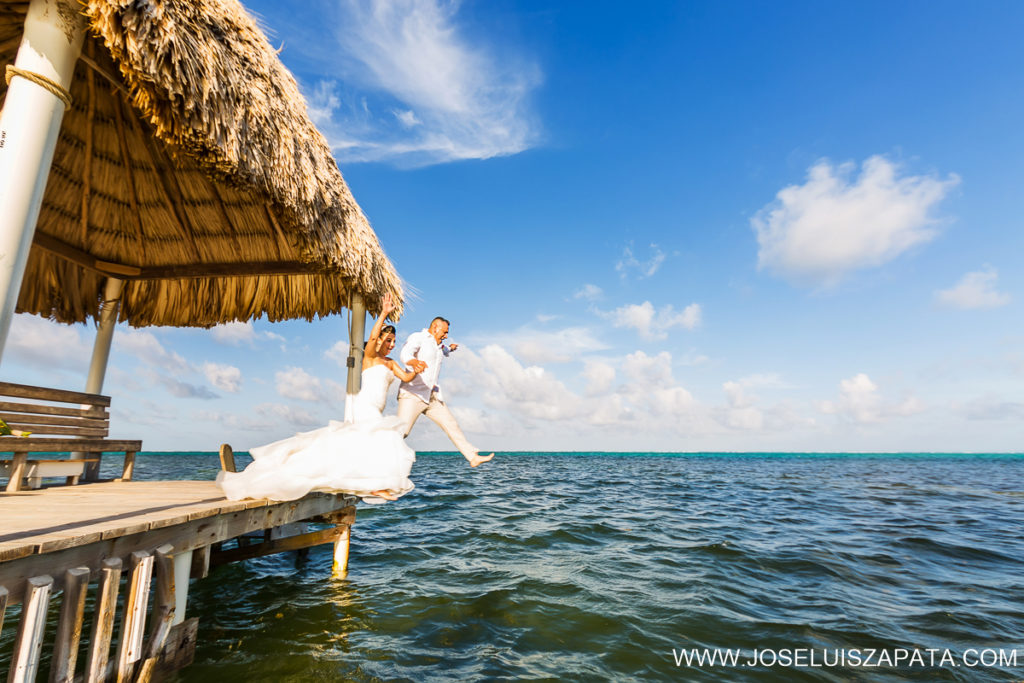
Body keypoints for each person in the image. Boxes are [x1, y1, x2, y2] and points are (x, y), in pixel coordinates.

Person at [217, 293, 421, 503]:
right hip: (364, 405)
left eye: (394, 341)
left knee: (366, 443)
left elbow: (406, 376)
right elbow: (373, 336)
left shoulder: (391, 362)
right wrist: (383, 314)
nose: (392, 344)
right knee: (385, 438)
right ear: (378, 340)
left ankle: (372, 484)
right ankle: (376, 486)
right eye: (388, 340)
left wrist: (417, 366)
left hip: (376, 408)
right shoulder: (370, 356)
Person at [397, 317, 494, 468]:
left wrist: (451, 348)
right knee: (402, 431)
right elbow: (405, 354)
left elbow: (444, 349)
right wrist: (414, 362)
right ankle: (374, 450)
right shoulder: (419, 338)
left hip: (431, 396)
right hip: (412, 394)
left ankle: (472, 457)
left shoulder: (439, 345)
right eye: (445, 332)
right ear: (435, 327)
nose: (446, 336)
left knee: (451, 424)